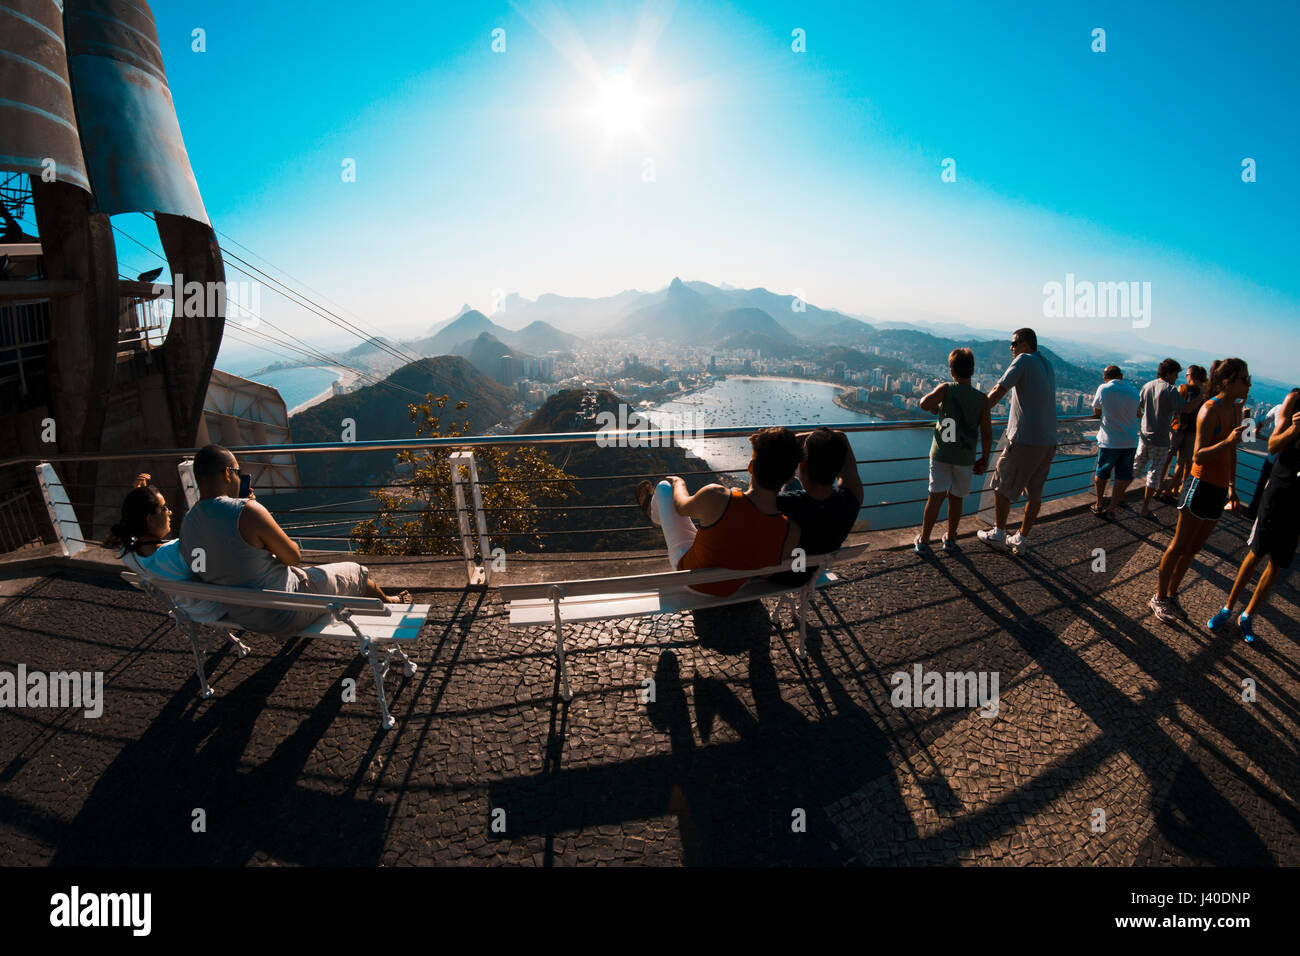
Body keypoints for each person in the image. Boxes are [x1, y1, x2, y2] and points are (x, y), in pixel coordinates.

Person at [179, 445, 402, 636]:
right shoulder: (247, 511)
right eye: (238, 472)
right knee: (356, 572)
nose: (239, 477)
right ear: (227, 474)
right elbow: (293, 557)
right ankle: (391, 602)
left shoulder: (187, 524)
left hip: (243, 615)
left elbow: (215, 562)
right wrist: (251, 509)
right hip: (286, 611)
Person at [636, 426, 803, 596]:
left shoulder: (716, 496)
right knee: (714, 531)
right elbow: (766, 572)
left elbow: (680, 507)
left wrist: (679, 482)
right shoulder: (790, 531)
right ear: (790, 478)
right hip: (734, 587)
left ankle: (655, 518)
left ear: (751, 466)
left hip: (692, 580)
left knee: (665, 487)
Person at [1149, 358, 1251, 624]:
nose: (1249, 384)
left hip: (1219, 489)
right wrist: (1228, 440)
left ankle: (1172, 595)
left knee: (1194, 548)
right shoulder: (1210, 409)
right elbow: (1199, 456)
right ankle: (1159, 596)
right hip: (1200, 484)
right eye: (1244, 379)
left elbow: (1232, 452)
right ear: (1227, 381)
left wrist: (1232, 487)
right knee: (1179, 545)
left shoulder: (1236, 410)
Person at [1208, 389, 1300, 642]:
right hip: (1279, 488)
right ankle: (1227, 608)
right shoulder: (1294, 400)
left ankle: (1247, 615)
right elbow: (1273, 444)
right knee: (1256, 552)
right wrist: (1295, 429)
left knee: (1277, 563)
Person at [108, 473, 227, 624]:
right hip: (216, 608)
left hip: (188, 610)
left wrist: (139, 496)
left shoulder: (128, 554)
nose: (169, 512)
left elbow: (131, 522)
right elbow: (212, 570)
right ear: (150, 519)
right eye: (164, 508)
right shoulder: (177, 552)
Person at [978, 328, 1058, 554]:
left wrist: (977, 415)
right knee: (1035, 493)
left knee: (1001, 485)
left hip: (1025, 439)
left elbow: (999, 389)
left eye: (1013, 343)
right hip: (1048, 440)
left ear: (1025, 344)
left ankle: (999, 534)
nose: (1011, 348)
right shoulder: (1047, 365)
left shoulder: (1023, 360)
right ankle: (1021, 539)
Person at [915, 347, 993, 552]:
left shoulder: (946, 389)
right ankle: (950, 539)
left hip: (941, 454)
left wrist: (937, 407)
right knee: (957, 499)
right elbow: (987, 433)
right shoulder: (982, 399)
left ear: (951, 370)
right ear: (972, 370)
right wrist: (984, 458)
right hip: (965, 457)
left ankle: (924, 541)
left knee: (935, 498)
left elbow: (924, 404)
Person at [770, 427, 863, 584]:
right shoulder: (851, 499)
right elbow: (841, 437)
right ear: (839, 468)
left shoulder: (779, 503)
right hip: (810, 573)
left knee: (791, 483)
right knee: (793, 484)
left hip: (779, 574)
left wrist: (793, 439)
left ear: (803, 465)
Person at [1133, 358, 1184, 519]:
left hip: (1144, 436)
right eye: (1175, 375)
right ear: (1169, 373)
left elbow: (1138, 409)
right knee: (1154, 474)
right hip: (1160, 440)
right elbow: (1185, 408)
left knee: (1136, 468)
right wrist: (1201, 396)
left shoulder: (1147, 385)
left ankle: (1118, 497)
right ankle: (1145, 508)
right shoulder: (1171, 390)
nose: (1176, 378)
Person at [1090, 365, 1141, 518]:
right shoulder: (1134, 391)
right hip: (1130, 440)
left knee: (1102, 473)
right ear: (1121, 376)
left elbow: (1096, 412)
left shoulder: (1104, 388)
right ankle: (1112, 509)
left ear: (1105, 377)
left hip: (1110, 440)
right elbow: (1138, 413)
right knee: (1123, 476)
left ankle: (1099, 504)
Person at [1245, 390, 1299, 519]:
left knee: (1262, 486)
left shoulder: (1278, 408)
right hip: (1287, 464)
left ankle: (1253, 511)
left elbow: (1261, 420)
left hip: (1272, 458)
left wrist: (1256, 430)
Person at [1162, 365, 1208, 502]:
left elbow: (1176, 408)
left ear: (1191, 376)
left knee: (1167, 459)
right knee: (1182, 463)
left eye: (1187, 374)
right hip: (1193, 432)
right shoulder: (1205, 394)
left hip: (1178, 429)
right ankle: (1173, 489)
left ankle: (1159, 487)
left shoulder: (1183, 388)